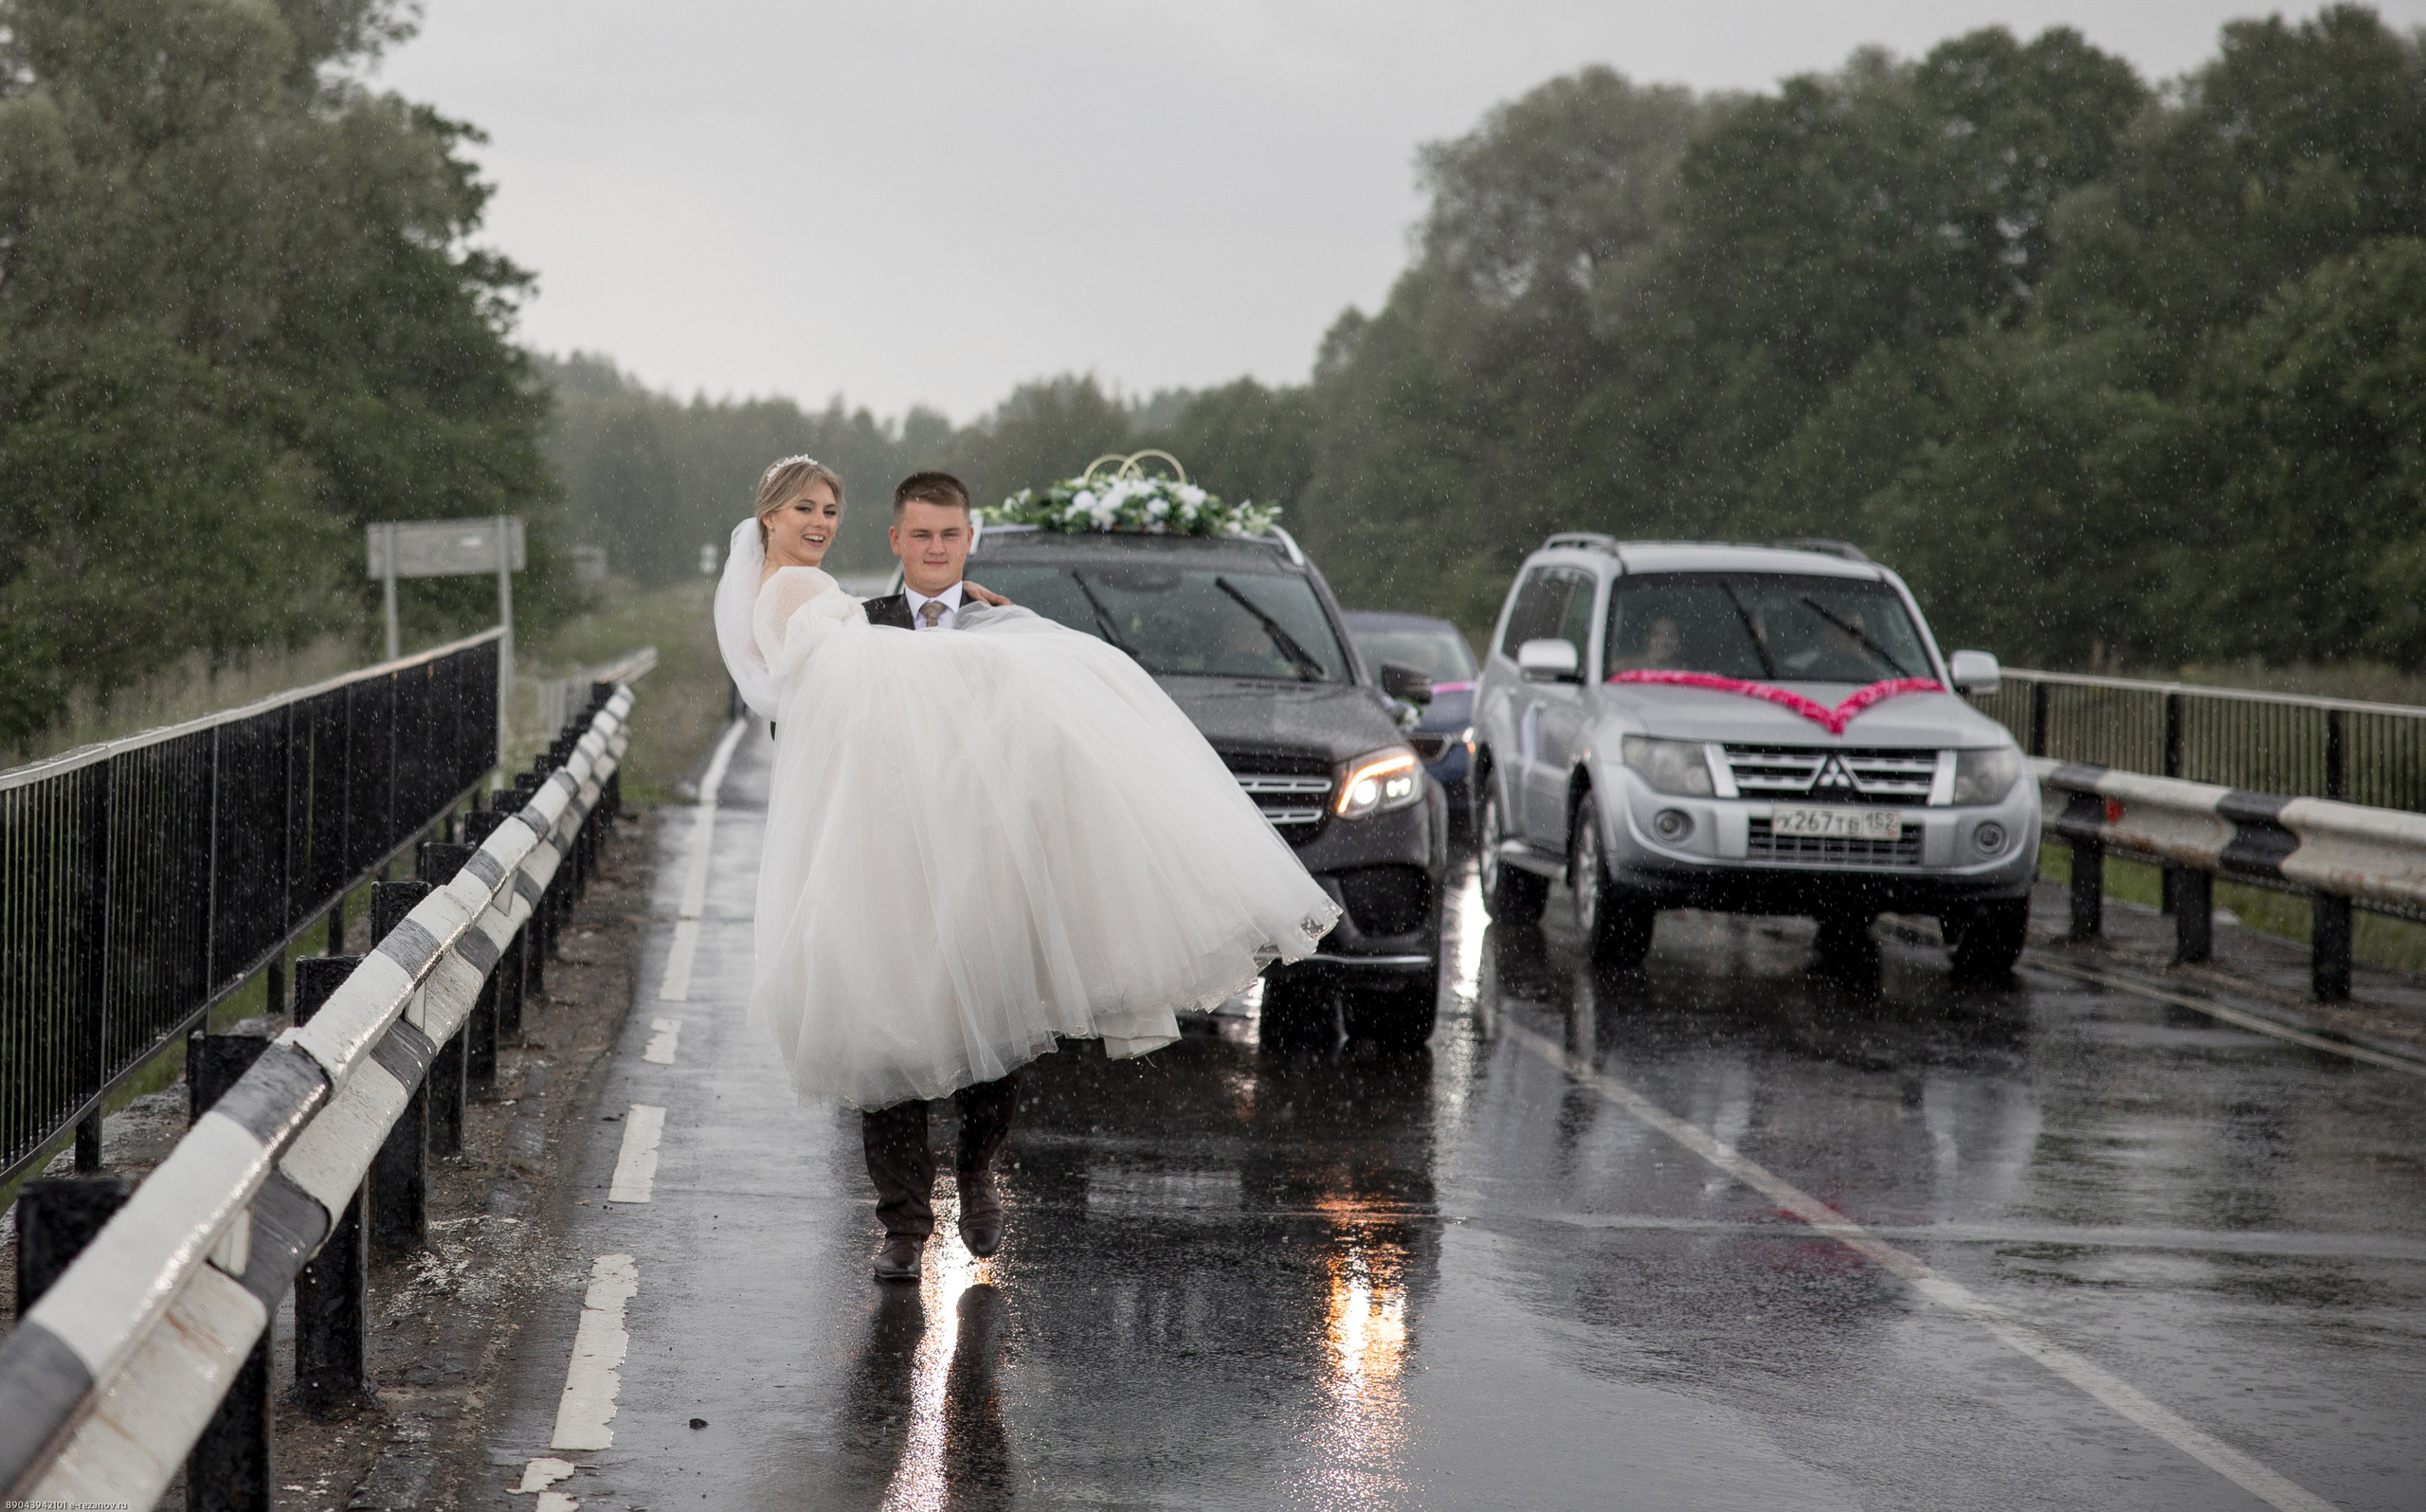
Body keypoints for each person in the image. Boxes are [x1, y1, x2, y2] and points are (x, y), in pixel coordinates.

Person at [715, 458, 1340, 1284]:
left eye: (830, 508)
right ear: (896, 541)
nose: (821, 521)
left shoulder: (993, 622)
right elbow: (814, 716)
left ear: (967, 541)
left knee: (999, 1026)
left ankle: (977, 1169)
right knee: (885, 1032)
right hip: (887, 856)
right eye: (806, 509)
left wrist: (1004, 640)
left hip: (983, 857)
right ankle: (903, 1229)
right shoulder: (851, 618)